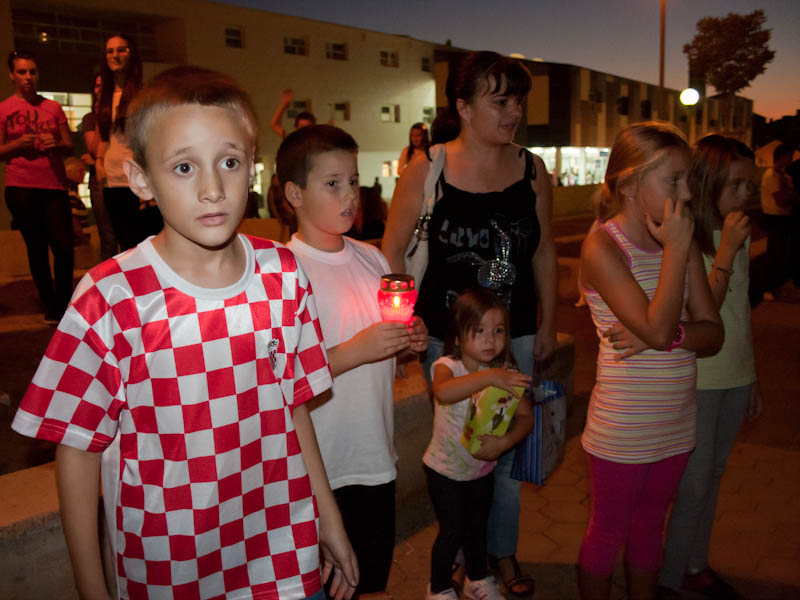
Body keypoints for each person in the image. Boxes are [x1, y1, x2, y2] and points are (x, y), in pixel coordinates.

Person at [11, 66, 358, 600]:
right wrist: (91, 587)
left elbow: (293, 407)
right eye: (183, 167)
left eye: (229, 162)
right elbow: (77, 454)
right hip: (168, 570)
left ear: (252, 169)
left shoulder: (283, 274)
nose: (213, 188)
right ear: (142, 179)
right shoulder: (110, 297)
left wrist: (327, 519)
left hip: (284, 552)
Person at [382, 50, 557, 597]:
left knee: (502, 454)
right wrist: (401, 328)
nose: (514, 112)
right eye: (499, 100)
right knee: (458, 453)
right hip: (446, 339)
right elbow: (391, 251)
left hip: (514, 336)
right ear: (463, 106)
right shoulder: (428, 167)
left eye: (518, 99)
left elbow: (545, 252)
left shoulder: (532, 169)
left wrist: (547, 324)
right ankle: (462, 553)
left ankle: (494, 555)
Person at [279, 124, 428, 599]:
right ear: (293, 193)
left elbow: (391, 355)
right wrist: (353, 352)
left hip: (375, 459)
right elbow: (276, 380)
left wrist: (409, 343)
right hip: (318, 469)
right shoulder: (282, 273)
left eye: (354, 181)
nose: (350, 195)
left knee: (368, 584)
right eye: (332, 183)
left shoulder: (373, 260)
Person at [576, 122, 723, 600]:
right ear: (631, 184)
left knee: (648, 531)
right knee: (607, 532)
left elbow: (711, 332)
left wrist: (674, 335)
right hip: (623, 428)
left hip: (675, 423)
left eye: (688, 181)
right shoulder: (604, 246)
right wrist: (677, 250)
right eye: (673, 181)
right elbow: (655, 327)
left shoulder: (683, 240)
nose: (685, 195)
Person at [658, 135, 761, 600]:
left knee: (714, 477)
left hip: (735, 377)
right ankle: (667, 577)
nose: (746, 196)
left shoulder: (735, 234)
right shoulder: (691, 240)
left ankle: (695, 564)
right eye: (736, 185)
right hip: (701, 380)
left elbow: (741, 314)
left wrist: (753, 377)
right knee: (693, 485)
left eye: (750, 187)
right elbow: (706, 316)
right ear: (708, 184)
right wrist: (725, 251)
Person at [424, 288, 533, 600]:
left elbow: (526, 418)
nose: (491, 339)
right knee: (451, 531)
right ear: (458, 337)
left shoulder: (506, 374)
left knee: (477, 527)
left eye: (498, 331)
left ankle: (477, 578)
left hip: (482, 470)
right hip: (444, 470)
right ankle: (439, 587)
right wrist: (490, 378)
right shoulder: (448, 365)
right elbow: (443, 392)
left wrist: (503, 443)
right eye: (480, 330)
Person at [0, 49, 74, 323]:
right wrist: (17, 145)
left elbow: (69, 145)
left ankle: (65, 302)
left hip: (53, 185)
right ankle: (52, 305)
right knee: (37, 247)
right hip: (20, 185)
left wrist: (57, 144)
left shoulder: (52, 108)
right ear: (12, 75)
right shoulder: (4, 109)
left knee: (63, 246)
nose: (28, 77)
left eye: (32, 71)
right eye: (22, 72)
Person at [96, 33, 162, 251]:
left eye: (121, 49)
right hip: (112, 181)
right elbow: (103, 137)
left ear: (131, 54)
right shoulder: (104, 96)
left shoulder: (144, 93)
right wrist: (98, 160)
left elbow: (153, 138)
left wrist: (149, 180)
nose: (115, 55)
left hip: (137, 181)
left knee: (147, 244)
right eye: (110, 50)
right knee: (125, 246)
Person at [80, 72, 117, 259]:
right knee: (108, 235)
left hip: (122, 177)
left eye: (104, 85)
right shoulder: (90, 118)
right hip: (99, 181)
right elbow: (93, 149)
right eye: (96, 86)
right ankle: (108, 283)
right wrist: (100, 119)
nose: (100, 89)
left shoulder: (120, 113)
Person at [759, 143, 798, 299]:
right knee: (774, 255)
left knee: (782, 255)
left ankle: (778, 287)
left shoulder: (784, 176)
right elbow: (781, 200)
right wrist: (791, 195)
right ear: (782, 157)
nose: (791, 160)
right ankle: (767, 288)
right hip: (775, 218)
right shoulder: (770, 176)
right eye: (789, 156)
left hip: (784, 218)